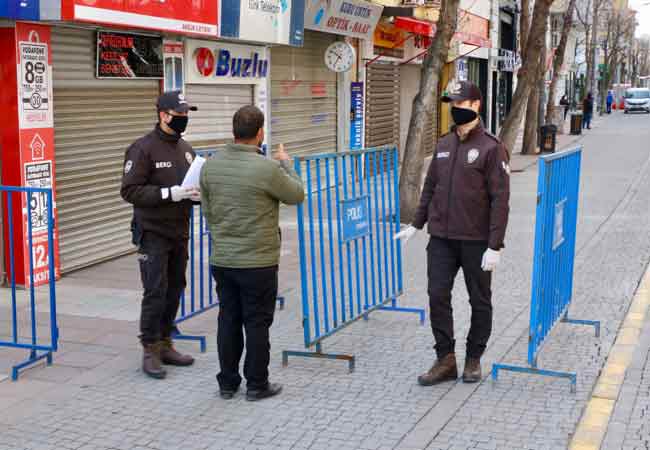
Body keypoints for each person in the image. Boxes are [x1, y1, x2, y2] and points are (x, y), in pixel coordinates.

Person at [394, 80, 510, 385]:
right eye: (451, 104)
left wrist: (495, 245)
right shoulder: (444, 144)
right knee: (437, 295)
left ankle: (473, 358)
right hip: (442, 239)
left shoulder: (491, 148)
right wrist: (417, 224)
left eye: (459, 103)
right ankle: (445, 359)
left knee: (479, 301)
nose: (454, 109)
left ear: (476, 106)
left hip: (476, 241)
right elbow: (430, 187)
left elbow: (500, 200)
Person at [200, 105, 304, 401]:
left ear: (234, 132)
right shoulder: (267, 168)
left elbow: (208, 211)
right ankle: (257, 384)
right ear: (260, 133)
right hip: (258, 261)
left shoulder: (211, 165)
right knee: (257, 323)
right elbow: (296, 194)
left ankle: (227, 383)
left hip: (223, 258)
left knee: (228, 319)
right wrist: (287, 164)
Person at [121, 91, 200, 380]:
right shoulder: (143, 149)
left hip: (179, 230)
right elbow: (129, 190)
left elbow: (190, 187)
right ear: (163, 115)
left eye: (186, 114)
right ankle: (150, 348)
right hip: (152, 232)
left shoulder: (186, 149)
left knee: (176, 287)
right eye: (180, 114)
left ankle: (166, 342)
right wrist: (169, 193)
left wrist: (195, 194)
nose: (184, 119)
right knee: (155, 291)